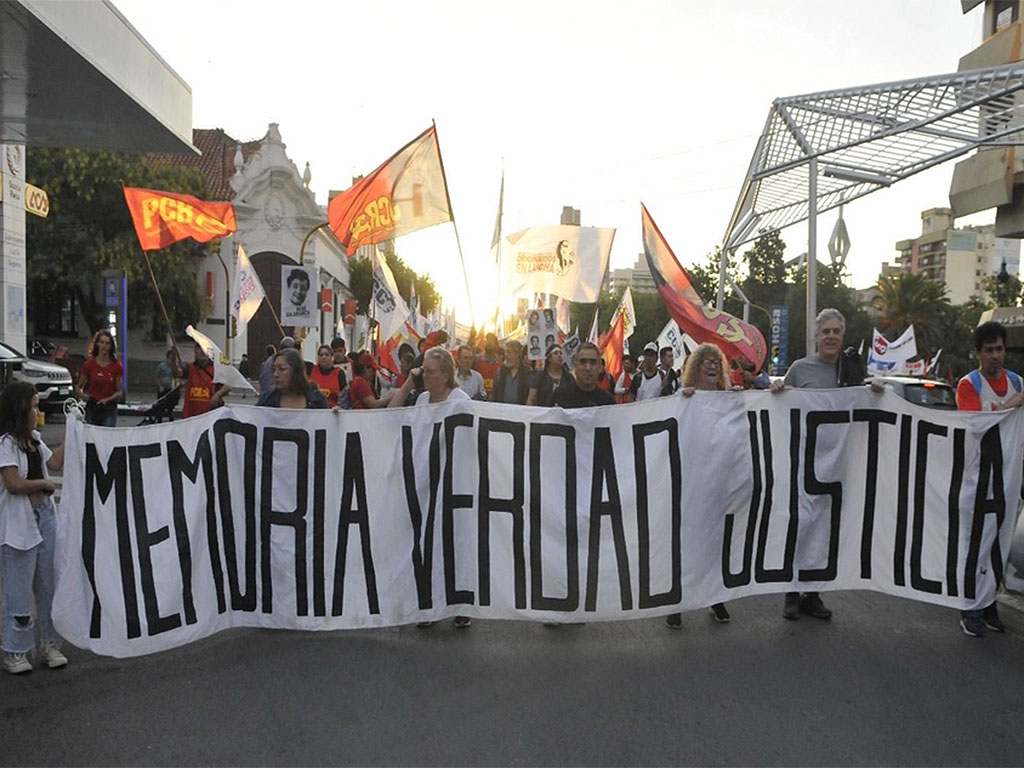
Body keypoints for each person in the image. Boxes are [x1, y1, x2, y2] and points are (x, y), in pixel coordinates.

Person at [769, 307, 883, 620]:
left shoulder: (851, 372)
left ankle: (813, 594)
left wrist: (876, 394)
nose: (831, 336)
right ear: (817, 337)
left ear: (842, 336)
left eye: (836, 331)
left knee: (825, 530)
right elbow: (781, 408)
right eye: (826, 332)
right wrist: (776, 391)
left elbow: (863, 409)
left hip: (837, 467)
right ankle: (791, 592)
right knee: (800, 525)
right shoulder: (800, 368)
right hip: (804, 463)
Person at [388, 347, 472, 628]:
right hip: (425, 481)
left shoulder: (460, 401)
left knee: (454, 542)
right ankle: (428, 604)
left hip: (454, 482)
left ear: (445, 375)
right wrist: (408, 383)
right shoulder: (423, 399)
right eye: (423, 370)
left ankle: (460, 603)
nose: (424, 375)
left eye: (430, 371)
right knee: (426, 542)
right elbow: (390, 415)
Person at [954, 320, 1022, 637]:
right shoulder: (970, 385)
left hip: (1007, 479)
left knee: (999, 543)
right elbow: (974, 424)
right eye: (989, 350)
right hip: (977, 478)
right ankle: (969, 608)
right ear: (978, 353)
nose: (995, 355)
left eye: (999, 349)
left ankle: (989, 603)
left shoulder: (1017, 382)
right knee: (975, 545)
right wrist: (1008, 406)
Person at [665, 343, 734, 628]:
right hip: (689, 481)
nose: (712, 366)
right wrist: (681, 402)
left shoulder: (730, 400)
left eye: (717, 362)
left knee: (714, 542)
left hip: (718, 482)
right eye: (707, 361)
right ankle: (677, 601)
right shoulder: (683, 398)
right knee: (685, 542)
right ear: (696, 367)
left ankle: (714, 596)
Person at [0, 382, 67, 674]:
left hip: (45, 517)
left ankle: (50, 643)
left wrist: (75, 430)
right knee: (18, 588)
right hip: (19, 522)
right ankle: (15, 649)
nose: (37, 412)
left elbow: (54, 462)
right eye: (35, 406)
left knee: (48, 582)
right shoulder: (6, 444)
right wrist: (43, 484)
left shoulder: (35, 440)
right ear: (21, 409)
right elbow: (13, 483)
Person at [76, 329, 123, 426]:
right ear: (97, 344)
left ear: (111, 346)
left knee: (106, 432)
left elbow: (119, 392)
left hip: (109, 407)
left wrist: (107, 399)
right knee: (91, 433)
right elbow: (78, 386)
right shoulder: (89, 364)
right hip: (92, 406)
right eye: (102, 342)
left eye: (107, 343)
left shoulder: (117, 366)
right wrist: (83, 396)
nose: (104, 346)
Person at [255, 348, 328, 409]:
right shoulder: (266, 400)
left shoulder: (317, 400)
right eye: (273, 369)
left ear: (296, 371)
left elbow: (325, 420)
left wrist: (333, 415)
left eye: (282, 369)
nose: (275, 374)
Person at [173, 342, 229, 419]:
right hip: (191, 415)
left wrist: (217, 395)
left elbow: (228, 386)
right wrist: (174, 358)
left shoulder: (216, 369)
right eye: (199, 348)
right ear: (195, 351)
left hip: (210, 416)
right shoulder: (189, 367)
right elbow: (176, 373)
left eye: (205, 348)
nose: (202, 351)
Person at [551, 342, 615, 408]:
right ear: (575, 365)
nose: (588, 368)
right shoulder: (559, 397)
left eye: (593, 362)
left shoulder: (608, 402)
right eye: (583, 362)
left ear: (599, 367)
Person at [491, 340, 531, 405]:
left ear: (517, 354)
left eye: (508, 352)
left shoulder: (527, 373)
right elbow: (494, 395)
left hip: (520, 410)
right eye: (505, 352)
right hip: (501, 410)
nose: (506, 355)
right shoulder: (500, 372)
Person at [308, 344, 347, 409]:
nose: (323, 357)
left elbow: (344, 396)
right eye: (321, 355)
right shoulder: (310, 369)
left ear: (332, 357)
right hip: (314, 410)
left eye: (326, 355)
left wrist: (340, 407)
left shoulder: (339, 373)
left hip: (333, 411)